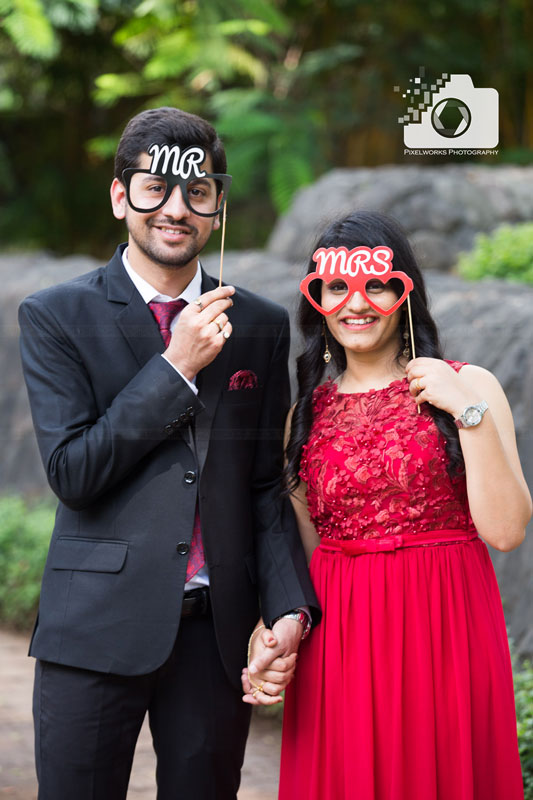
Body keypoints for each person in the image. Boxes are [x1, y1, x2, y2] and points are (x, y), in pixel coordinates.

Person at [18, 106, 318, 800]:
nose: (176, 209)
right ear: (122, 196)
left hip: (212, 640)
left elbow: (264, 488)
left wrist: (288, 608)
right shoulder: (56, 315)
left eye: (198, 191)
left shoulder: (260, 326)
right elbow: (74, 472)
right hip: (92, 632)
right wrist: (174, 367)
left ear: (217, 206)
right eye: (156, 188)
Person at [248, 210, 530, 799]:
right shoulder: (305, 416)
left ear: (404, 292)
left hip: (447, 630)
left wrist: (465, 412)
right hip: (342, 642)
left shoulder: (470, 385)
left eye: (376, 283)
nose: (358, 302)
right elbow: (300, 553)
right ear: (317, 299)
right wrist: (276, 627)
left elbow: (505, 531)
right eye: (337, 286)